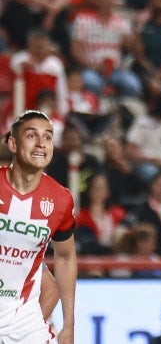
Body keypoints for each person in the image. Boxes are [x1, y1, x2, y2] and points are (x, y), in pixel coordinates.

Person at [0, 110, 76, 343]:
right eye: (32, 136)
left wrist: (68, 325)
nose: (41, 144)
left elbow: (64, 258)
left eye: (48, 137)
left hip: (24, 321)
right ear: (13, 143)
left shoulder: (61, 200)